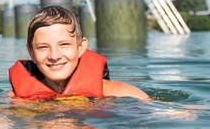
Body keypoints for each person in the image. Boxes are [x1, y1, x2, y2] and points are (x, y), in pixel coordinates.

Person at [8, 6, 150, 100]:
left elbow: (162, 113)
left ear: (81, 47)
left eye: (64, 45)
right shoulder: (18, 99)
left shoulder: (119, 93)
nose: (54, 56)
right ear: (31, 52)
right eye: (43, 47)